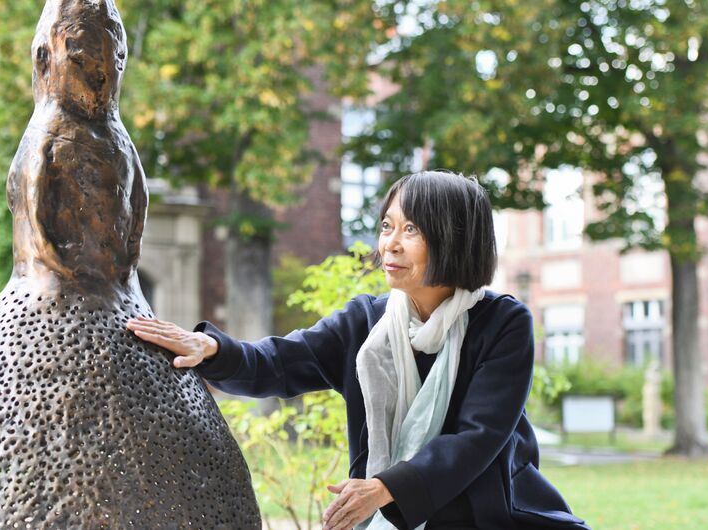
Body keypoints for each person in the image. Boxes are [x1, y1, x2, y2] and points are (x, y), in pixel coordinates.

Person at [127, 171, 588, 530]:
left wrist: (385, 488)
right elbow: (280, 363)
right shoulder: (365, 322)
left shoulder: (503, 324)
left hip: (492, 519)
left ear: (453, 238)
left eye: (411, 229)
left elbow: (478, 438)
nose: (389, 242)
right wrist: (209, 348)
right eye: (387, 226)